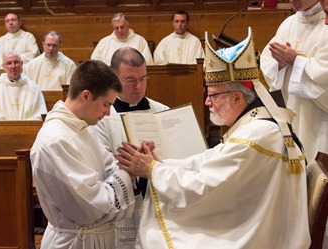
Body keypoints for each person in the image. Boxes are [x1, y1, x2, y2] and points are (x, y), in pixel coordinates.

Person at [115, 27, 311, 248]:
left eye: (213, 95)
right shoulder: (256, 126)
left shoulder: (256, 136)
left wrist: (152, 171)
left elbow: (207, 186)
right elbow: (208, 163)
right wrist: (160, 165)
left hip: (262, 234)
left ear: (236, 97)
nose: (207, 102)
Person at [30, 60, 135, 249]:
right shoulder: (55, 140)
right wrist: (129, 172)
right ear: (86, 96)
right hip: (72, 242)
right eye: (105, 104)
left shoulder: (81, 128)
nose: (108, 112)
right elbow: (91, 207)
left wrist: (130, 161)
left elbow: (108, 167)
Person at [92, 47, 168, 248]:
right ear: (115, 79)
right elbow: (102, 163)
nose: (139, 86)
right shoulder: (102, 117)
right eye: (131, 80)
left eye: (143, 79)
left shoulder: (163, 112)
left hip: (157, 202)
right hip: (124, 205)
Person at [260, 0, 328, 162]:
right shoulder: (288, 24)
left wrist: (296, 61)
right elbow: (268, 62)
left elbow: (324, 74)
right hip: (291, 110)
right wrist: (279, 65)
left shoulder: (325, 25)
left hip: (318, 120)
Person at [0, 51, 47, 121]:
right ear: (3, 66)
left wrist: (24, 127)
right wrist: (11, 127)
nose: (13, 66)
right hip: (2, 130)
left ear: (21, 64)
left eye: (16, 62)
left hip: (29, 130)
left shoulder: (33, 88)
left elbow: (40, 114)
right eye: (9, 63)